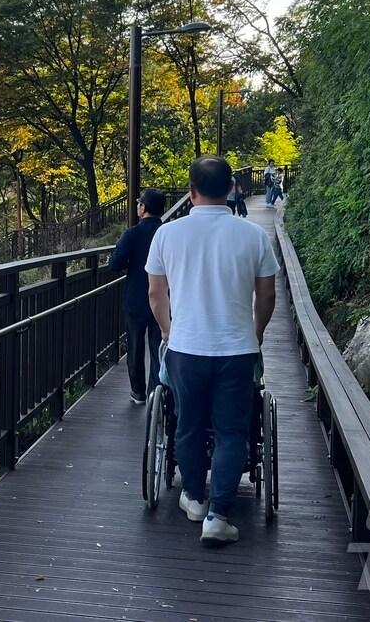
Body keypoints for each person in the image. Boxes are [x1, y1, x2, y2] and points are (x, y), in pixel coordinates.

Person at [146, 156, 279, 545]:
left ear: (191, 192)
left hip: (186, 347)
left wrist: (169, 332)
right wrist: (255, 332)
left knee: (187, 424)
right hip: (236, 349)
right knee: (232, 430)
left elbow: (156, 294)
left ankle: (193, 497)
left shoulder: (167, 235)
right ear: (232, 189)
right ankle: (219, 514)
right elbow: (267, 295)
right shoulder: (253, 236)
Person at [109, 188, 166, 405]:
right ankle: (157, 392)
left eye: (139, 204)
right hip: (162, 298)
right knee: (159, 346)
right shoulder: (166, 233)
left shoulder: (131, 234)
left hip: (135, 298)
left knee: (135, 347)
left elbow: (115, 263)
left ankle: (138, 392)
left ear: (143, 208)